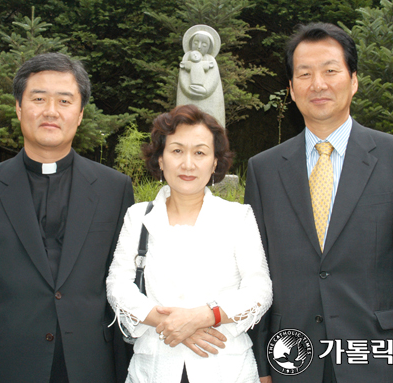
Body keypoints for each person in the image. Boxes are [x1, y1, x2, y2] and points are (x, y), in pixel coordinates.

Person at [245, 23, 393, 383]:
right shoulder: (264, 169)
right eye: (304, 74)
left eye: (330, 71)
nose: (317, 84)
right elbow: (256, 274)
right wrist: (261, 369)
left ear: (353, 80)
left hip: (379, 361)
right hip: (292, 360)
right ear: (291, 89)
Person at [0, 52, 134, 383]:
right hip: (4, 368)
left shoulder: (114, 188)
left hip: (91, 367)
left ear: (80, 114)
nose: (50, 111)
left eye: (64, 100)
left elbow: (124, 289)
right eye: (39, 98)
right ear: (19, 107)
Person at [107, 104, 272, 382]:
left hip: (225, 366)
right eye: (176, 150)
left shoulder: (237, 217)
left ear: (215, 162)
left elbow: (259, 289)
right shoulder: (138, 217)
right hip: (155, 365)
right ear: (160, 159)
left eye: (200, 152)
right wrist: (169, 323)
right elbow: (118, 285)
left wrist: (207, 316)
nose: (188, 164)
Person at [177, 25, 225, 127]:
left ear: (209, 47)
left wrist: (206, 90)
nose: (199, 46)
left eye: (204, 44)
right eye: (196, 42)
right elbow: (183, 79)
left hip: (209, 98)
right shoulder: (186, 58)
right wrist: (188, 90)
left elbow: (214, 79)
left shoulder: (211, 60)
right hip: (188, 95)